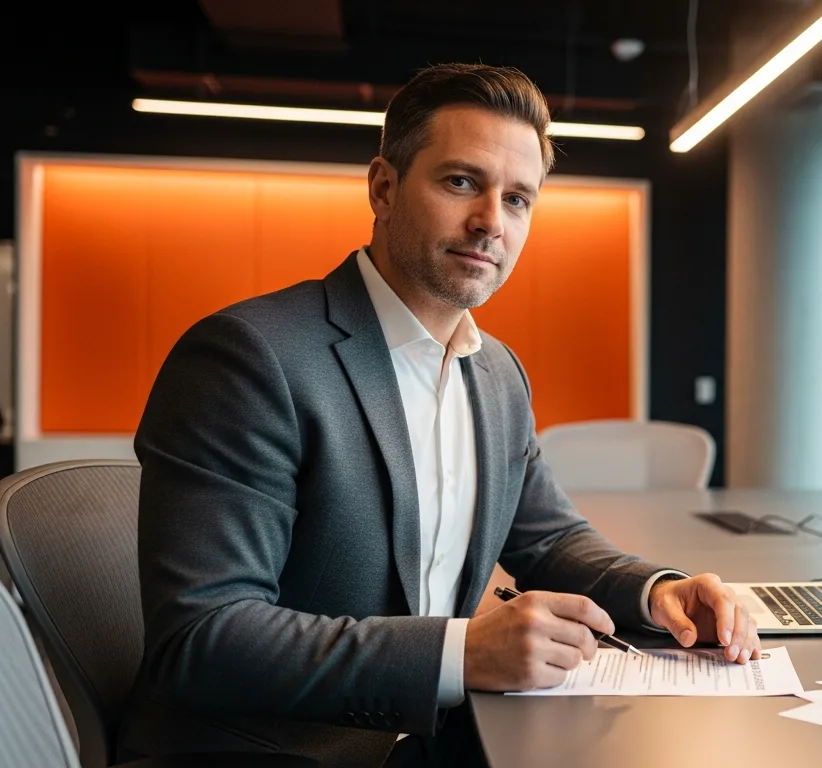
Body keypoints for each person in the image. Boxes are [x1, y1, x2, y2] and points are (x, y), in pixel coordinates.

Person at [119, 63, 761, 768]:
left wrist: (659, 589)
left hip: (439, 737)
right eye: (461, 182)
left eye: (518, 199)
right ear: (384, 188)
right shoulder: (252, 358)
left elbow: (548, 540)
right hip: (276, 749)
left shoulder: (496, 373)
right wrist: (461, 650)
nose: (491, 221)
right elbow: (203, 639)